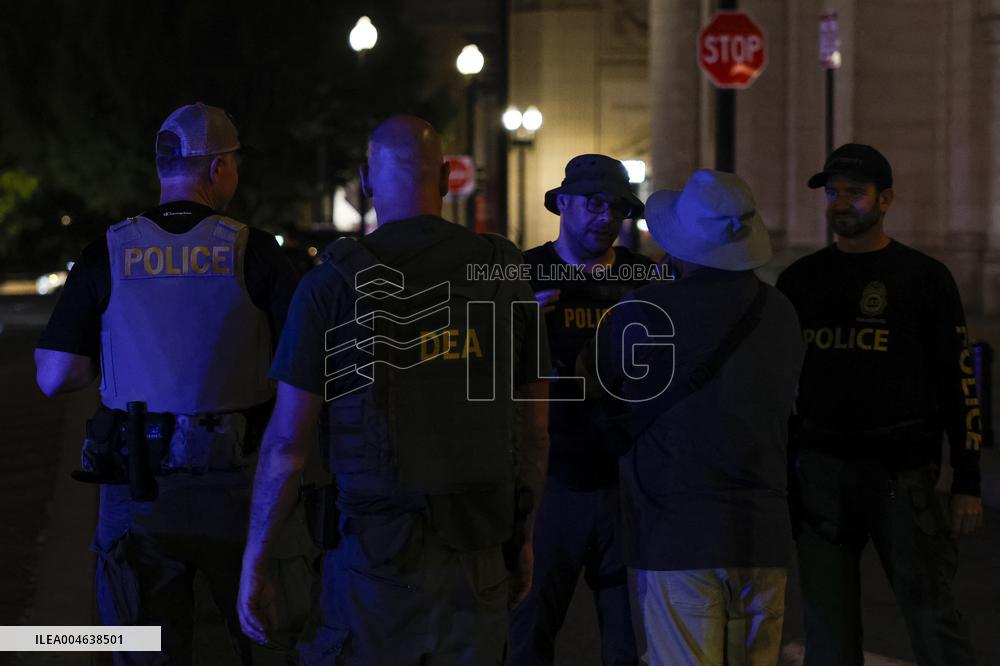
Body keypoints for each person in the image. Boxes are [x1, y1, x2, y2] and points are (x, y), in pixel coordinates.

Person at [237, 115, 551, 665]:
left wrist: (256, 560)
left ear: (366, 179)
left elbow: (288, 443)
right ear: (449, 179)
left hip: (372, 559)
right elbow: (534, 431)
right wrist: (523, 538)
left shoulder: (330, 284)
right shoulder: (503, 275)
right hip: (478, 551)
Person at [34, 102, 302, 664]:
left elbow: (56, 376)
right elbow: (305, 365)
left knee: (141, 647)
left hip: (137, 492)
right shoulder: (257, 253)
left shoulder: (108, 251)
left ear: (163, 168)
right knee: (263, 640)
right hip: (238, 489)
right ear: (217, 170)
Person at [777, 143, 982, 665]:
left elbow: (959, 381)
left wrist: (967, 481)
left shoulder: (924, 279)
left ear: (885, 199)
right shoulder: (799, 281)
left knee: (932, 614)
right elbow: (779, 385)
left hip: (901, 476)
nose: (840, 203)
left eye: (854, 192)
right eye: (832, 192)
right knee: (827, 625)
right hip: (820, 475)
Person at [593, 169, 804, 665]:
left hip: (676, 534)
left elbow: (602, 400)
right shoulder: (780, 313)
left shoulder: (642, 312)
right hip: (763, 535)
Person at [510, 154, 652, 665]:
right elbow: (481, 371)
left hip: (625, 485)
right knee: (528, 635)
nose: (605, 217)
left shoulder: (643, 279)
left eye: (616, 208)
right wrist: (518, 322)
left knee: (629, 641)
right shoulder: (522, 274)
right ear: (563, 204)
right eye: (594, 204)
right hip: (549, 488)